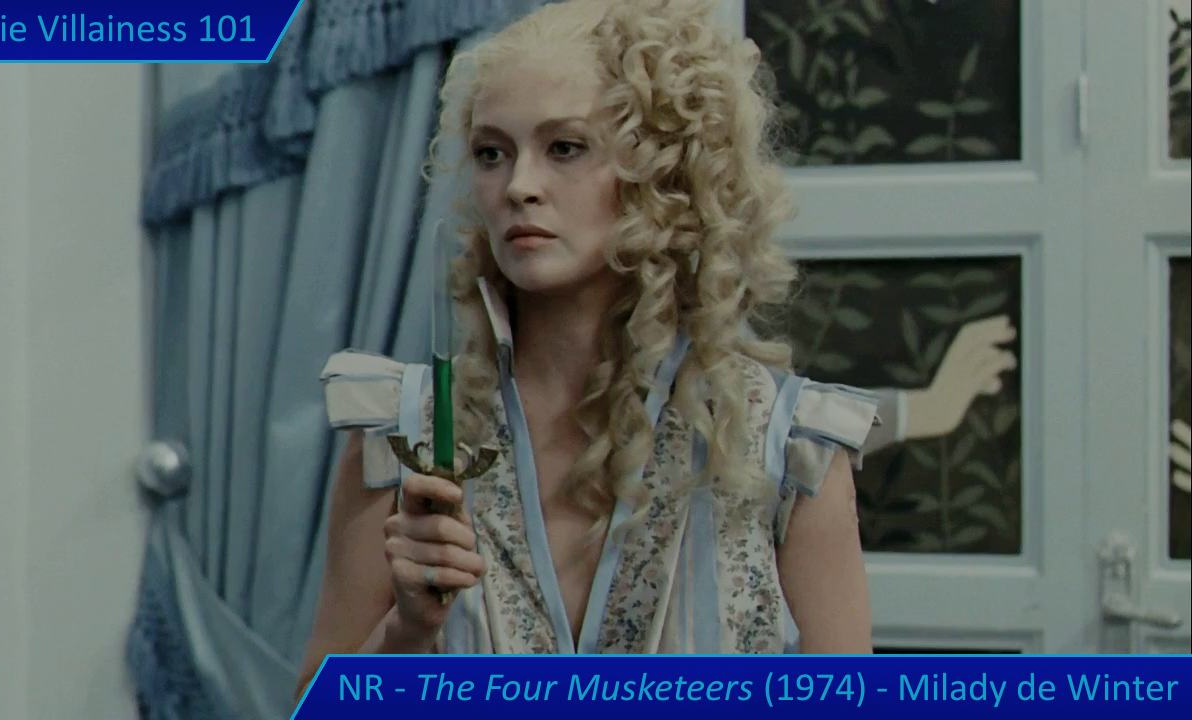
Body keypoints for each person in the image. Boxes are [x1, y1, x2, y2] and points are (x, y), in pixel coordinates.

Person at [296, 0, 876, 692]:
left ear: (664, 174)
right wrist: (407, 632)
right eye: (491, 153)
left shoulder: (785, 448)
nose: (519, 186)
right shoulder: (405, 437)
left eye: (565, 148)